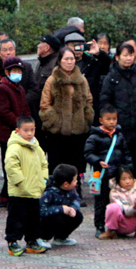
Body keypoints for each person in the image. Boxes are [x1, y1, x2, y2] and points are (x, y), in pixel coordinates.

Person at [99, 41, 136, 182]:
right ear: (117, 57)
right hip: (120, 128)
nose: (128, 58)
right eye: (125, 55)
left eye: (131, 55)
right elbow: (105, 102)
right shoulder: (111, 78)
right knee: (120, 162)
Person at [39, 46, 94, 177]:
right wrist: (57, 122)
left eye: (72, 59)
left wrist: (85, 119)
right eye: (66, 59)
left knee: (76, 165)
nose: (70, 62)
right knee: (57, 166)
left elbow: (89, 101)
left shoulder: (81, 80)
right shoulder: (52, 80)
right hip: (57, 133)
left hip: (78, 132)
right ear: (60, 61)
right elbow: (45, 105)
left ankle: (76, 191)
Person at [84, 104, 132, 237]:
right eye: (108, 119)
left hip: (117, 174)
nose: (112, 122)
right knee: (101, 201)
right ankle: (99, 225)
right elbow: (88, 153)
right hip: (103, 175)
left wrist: (128, 169)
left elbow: (126, 153)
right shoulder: (94, 137)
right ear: (101, 120)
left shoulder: (119, 136)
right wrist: (98, 161)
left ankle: (116, 226)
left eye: (114, 119)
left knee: (118, 200)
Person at [4, 116, 49, 256]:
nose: (29, 133)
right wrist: (21, 182)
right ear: (18, 130)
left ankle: (32, 241)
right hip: (19, 192)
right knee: (16, 218)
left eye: (32, 130)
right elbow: (11, 167)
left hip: (34, 190)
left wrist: (43, 180)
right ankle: (13, 242)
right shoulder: (14, 147)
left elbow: (44, 164)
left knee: (33, 218)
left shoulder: (36, 147)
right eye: (26, 130)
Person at [0, 56, 31, 207]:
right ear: (7, 72)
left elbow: (25, 107)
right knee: (9, 164)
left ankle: (7, 195)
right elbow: (3, 112)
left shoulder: (19, 88)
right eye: (14, 70)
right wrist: (20, 125)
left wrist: (28, 124)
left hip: (20, 131)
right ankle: (7, 196)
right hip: (7, 133)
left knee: (18, 163)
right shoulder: (1, 88)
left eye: (19, 70)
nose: (17, 73)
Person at [102, 165, 136, 240]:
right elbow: (125, 212)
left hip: (135, 220)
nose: (127, 182)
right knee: (112, 207)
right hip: (121, 223)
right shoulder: (114, 192)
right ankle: (111, 231)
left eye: (130, 178)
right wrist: (134, 207)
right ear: (118, 180)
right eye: (124, 179)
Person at [39, 163, 83, 247]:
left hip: (63, 214)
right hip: (47, 219)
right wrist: (61, 209)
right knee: (56, 219)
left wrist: (73, 208)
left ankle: (61, 237)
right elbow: (42, 211)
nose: (76, 182)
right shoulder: (49, 192)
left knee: (78, 216)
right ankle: (43, 238)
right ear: (66, 184)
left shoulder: (71, 189)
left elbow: (76, 199)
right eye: (74, 180)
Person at [27, 33, 61, 135]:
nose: (38, 45)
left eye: (40, 43)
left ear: (47, 48)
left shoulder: (55, 64)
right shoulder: (42, 62)